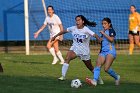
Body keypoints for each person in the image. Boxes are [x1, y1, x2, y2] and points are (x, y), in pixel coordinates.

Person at [51, 15, 104, 84]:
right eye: (76, 20)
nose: (77, 22)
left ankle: (98, 78)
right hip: (75, 48)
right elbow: (63, 31)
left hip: (84, 51)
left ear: (83, 21)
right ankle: (63, 76)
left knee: (90, 67)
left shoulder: (86, 29)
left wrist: (99, 39)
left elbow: (94, 35)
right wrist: (55, 36)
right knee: (67, 58)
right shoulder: (73, 28)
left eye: (79, 20)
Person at [86, 17, 120, 86]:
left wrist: (103, 34)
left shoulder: (111, 31)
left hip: (110, 51)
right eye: (102, 24)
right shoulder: (103, 32)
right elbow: (102, 41)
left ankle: (117, 77)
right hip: (103, 51)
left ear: (109, 24)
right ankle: (94, 81)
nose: (103, 25)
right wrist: (99, 40)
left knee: (106, 69)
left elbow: (111, 40)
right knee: (98, 65)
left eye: (105, 23)